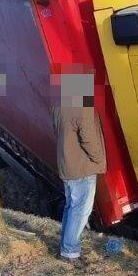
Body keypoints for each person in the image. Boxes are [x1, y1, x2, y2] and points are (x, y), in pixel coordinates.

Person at [53, 70, 106, 262]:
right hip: (82, 167)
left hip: (67, 166)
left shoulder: (59, 106)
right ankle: (70, 251)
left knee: (71, 207)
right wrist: (99, 160)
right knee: (81, 210)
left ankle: (66, 247)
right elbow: (89, 140)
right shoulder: (84, 108)